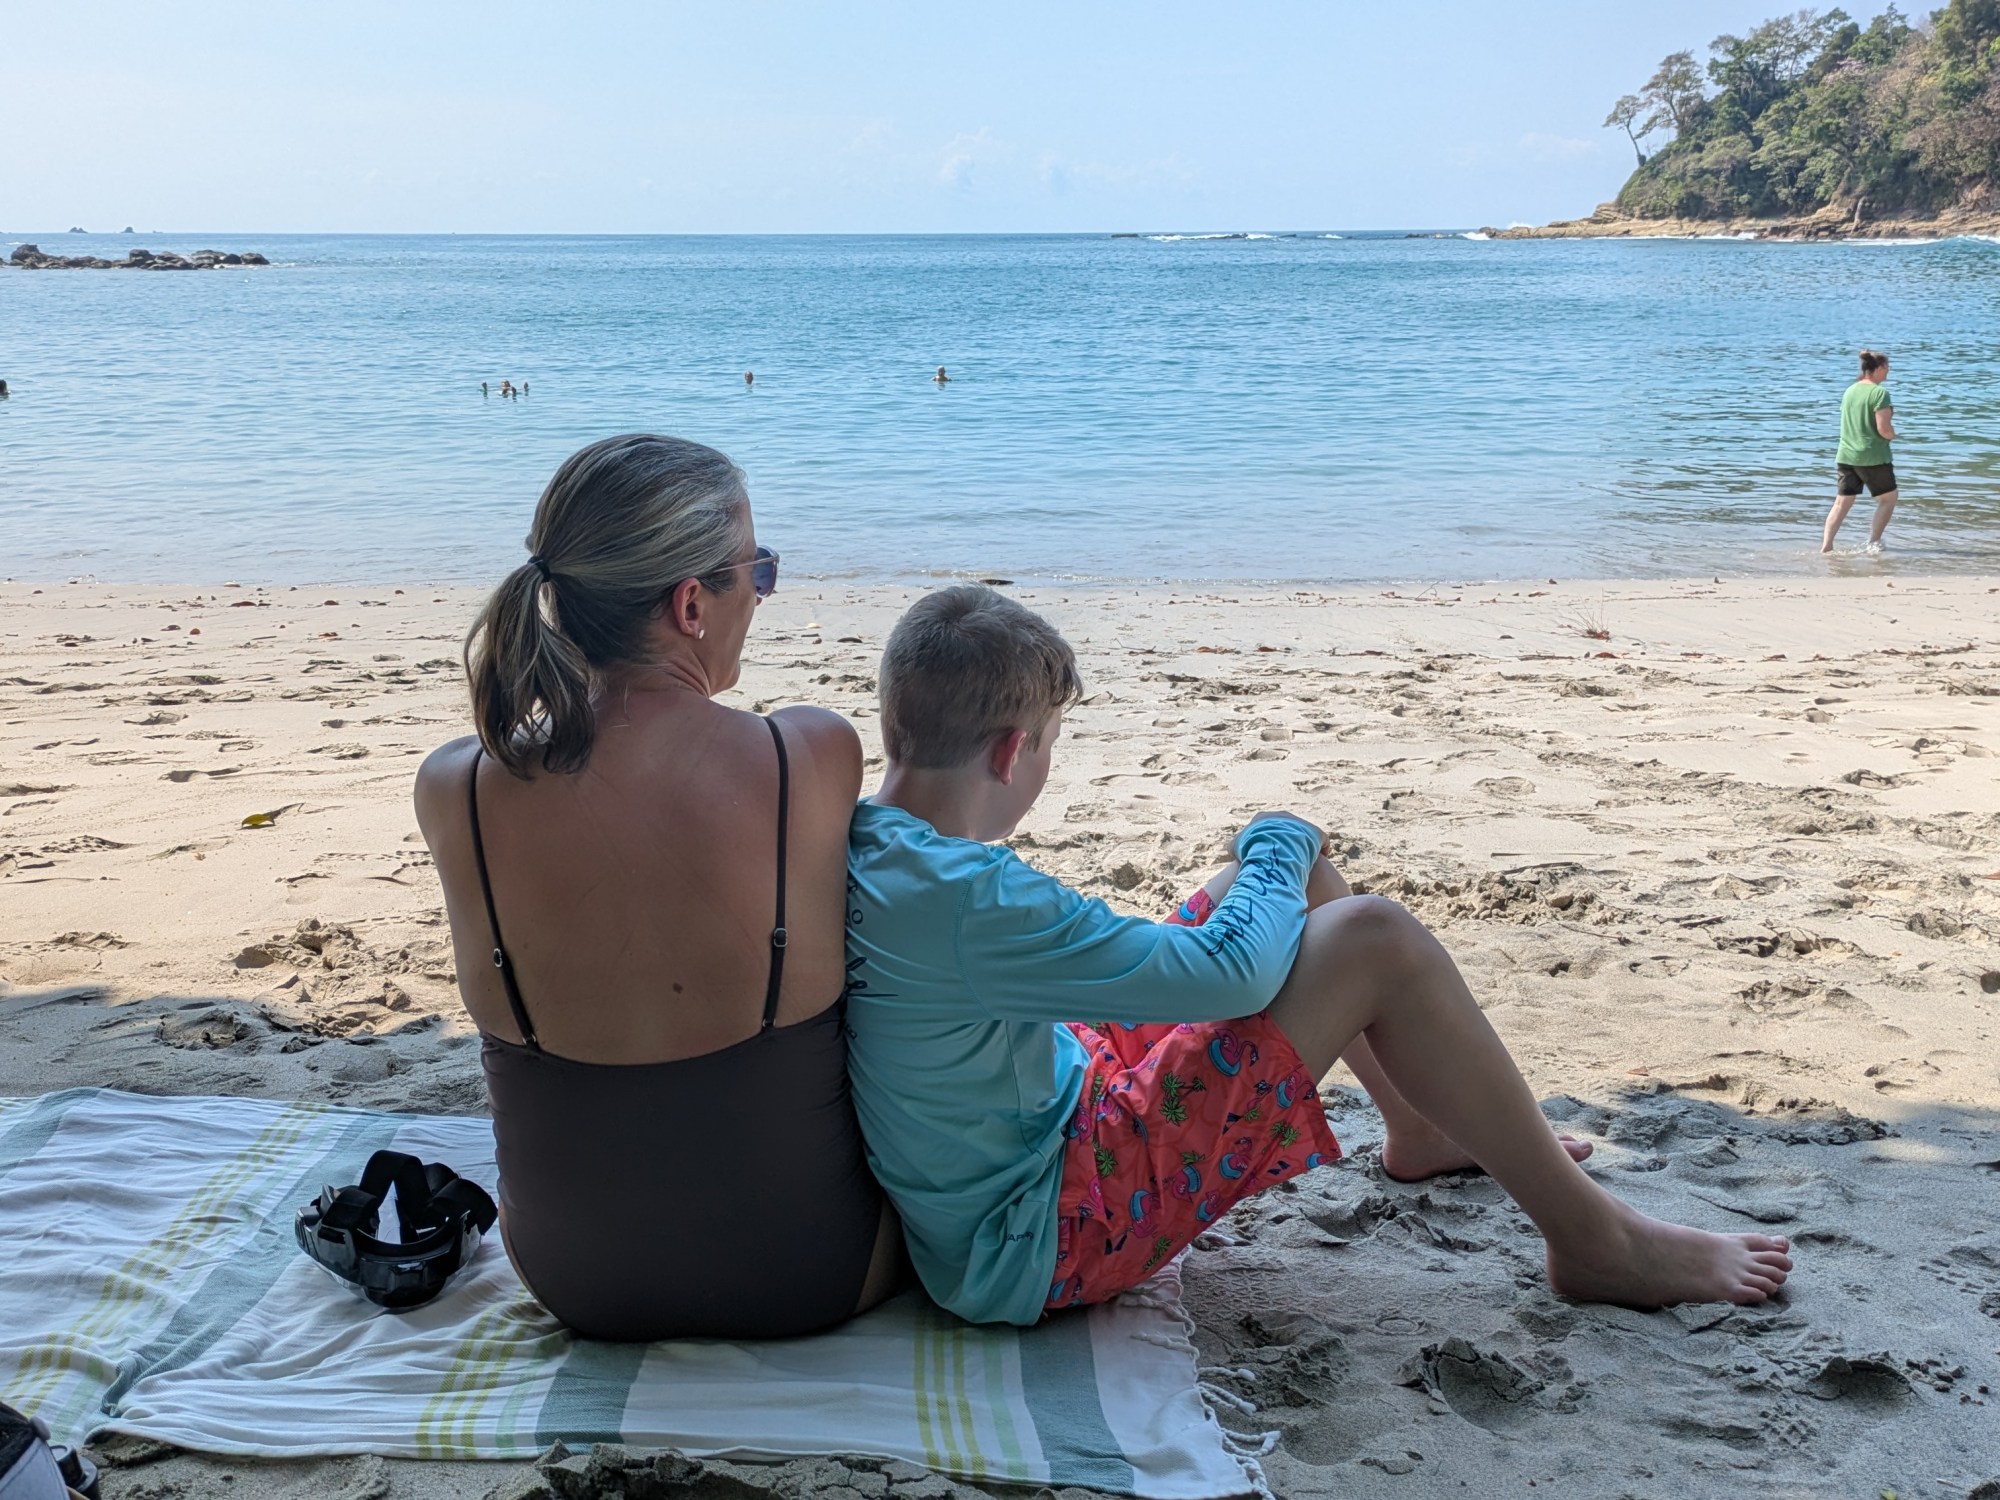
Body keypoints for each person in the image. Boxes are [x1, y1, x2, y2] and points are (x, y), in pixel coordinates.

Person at [843, 585, 1793, 1328]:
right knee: (1367, 935)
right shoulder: (975, 898)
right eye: (1051, 747)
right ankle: (1596, 1241)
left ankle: (1417, 1130)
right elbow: (1233, 975)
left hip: (1044, 1107)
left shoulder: (873, 844)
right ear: (1013, 753)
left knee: (1249, 901)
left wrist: (1265, 879)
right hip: (1050, 1232)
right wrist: (1281, 838)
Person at [414, 434, 900, 1341]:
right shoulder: (808, 754)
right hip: (817, 1271)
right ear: (690, 604)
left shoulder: (456, 789)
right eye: (756, 572)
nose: (760, 595)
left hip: (575, 1282)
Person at [1823, 349, 1898, 554]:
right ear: (1879, 368)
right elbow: (1883, 429)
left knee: (1841, 503)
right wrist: (1893, 435)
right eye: (1887, 368)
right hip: (1873, 456)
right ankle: (1874, 542)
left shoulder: (1850, 390)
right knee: (1888, 499)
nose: (1888, 372)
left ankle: (1827, 546)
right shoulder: (1879, 393)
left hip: (1846, 455)